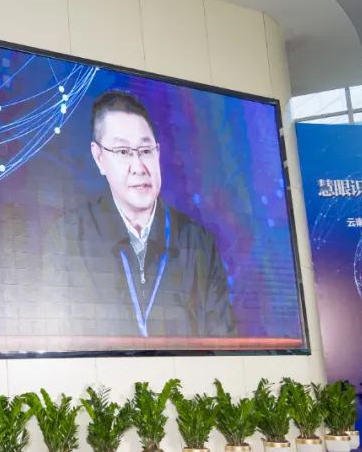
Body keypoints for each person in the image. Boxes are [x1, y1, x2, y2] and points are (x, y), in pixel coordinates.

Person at [47, 89, 236, 338]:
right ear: (99, 158)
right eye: (123, 152)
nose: (138, 167)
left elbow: (223, 342)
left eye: (145, 151)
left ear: (157, 153)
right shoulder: (68, 239)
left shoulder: (198, 244)